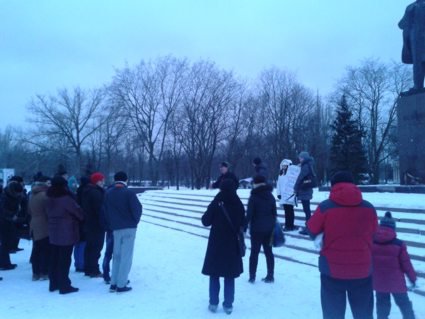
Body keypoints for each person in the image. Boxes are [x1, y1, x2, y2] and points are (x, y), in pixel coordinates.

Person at [307, 171, 378, 319]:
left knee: (333, 314)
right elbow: (374, 234)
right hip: (362, 268)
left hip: (331, 269)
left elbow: (312, 229)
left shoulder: (325, 207)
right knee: (364, 314)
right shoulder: (369, 208)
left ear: (333, 187)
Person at [202, 179, 245, 314]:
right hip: (232, 245)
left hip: (216, 244)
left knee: (214, 274)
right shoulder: (238, 203)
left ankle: (213, 303)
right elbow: (244, 224)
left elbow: (205, 221)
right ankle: (228, 305)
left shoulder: (217, 201)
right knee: (229, 275)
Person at [103, 171, 142, 293]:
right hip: (129, 228)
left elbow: (104, 211)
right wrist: (134, 221)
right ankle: (121, 283)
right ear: (126, 180)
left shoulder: (108, 193)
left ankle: (114, 282)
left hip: (115, 228)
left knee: (117, 256)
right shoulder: (129, 193)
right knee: (126, 256)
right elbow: (137, 209)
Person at [373, 211, 417, 319]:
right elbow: (406, 264)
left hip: (379, 281)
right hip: (396, 282)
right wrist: (413, 278)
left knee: (382, 306)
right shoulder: (399, 244)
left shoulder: (372, 242)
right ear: (393, 228)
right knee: (404, 304)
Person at [46, 176, 84, 294]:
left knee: (54, 258)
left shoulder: (48, 197)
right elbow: (79, 213)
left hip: (53, 231)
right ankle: (64, 285)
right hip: (66, 232)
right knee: (64, 259)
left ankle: (54, 283)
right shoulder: (66, 199)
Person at [245, 175, 276, 283]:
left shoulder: (253, 197)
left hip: (256, 229)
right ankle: (270, 276)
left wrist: (244, 226)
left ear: (255, 184)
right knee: (269, 252)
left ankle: (252, 277)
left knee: (254, 253)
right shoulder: (271, 196)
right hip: (269, 229)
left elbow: (249, 214)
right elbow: (274, 213)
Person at [81, 172, 105, 278]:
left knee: (90, 247)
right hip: (96, 225)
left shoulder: (87, 191)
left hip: (89, 223)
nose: (103, 182)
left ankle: (88, 268)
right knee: (96, 248)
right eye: (102, 180)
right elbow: (99, 210)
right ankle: (94, 270)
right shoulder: (96, 193)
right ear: (97, 181)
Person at [399, 0, 425, 91]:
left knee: (418, 63)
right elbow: (402, 24)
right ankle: (418, 87)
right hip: (416, 37)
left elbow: (401, 24)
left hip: (417, 37)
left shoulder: (412, 7)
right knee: (419, 62)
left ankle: (418, 87)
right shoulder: (411, 7)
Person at [28, 175, 51, 281]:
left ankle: (35, 273)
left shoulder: (32, 195)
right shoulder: (45, 196)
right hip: (44, 225)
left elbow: (29, 211)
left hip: (34, 224)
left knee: (36, 250)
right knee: (45, 250)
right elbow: (48, 211)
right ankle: (44, 272)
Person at [0, 181, 23, 270]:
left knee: (7, 243)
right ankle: (4, 263)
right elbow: (2, 210)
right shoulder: (4, 197)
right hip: (3, 222)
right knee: (4, 243)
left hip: (9, 222)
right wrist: (11, 215)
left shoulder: (14, 196)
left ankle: (5, 262)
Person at [294, 151, 315, 235]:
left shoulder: (305, 166)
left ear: (304, 158)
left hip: (305, 190)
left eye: (300, 158)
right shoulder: (308, 164)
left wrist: (295, 187)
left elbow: (300, 177)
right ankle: (309, 226)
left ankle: (309, 227)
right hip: (307, 189)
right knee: (307, 209)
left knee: (306, 210)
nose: (299, 159)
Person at [74, 176, 90, 272]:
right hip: (84, 220)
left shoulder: (78, 191)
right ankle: (82, 264)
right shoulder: (87, 192)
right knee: (83, 243)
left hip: (77, 220)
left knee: (78, 243)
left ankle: (78, 263)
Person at [276, 159, 297, 231]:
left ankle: (291, 225)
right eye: (283, 166)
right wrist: (278, 193)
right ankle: (287, 225)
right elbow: (278, 184)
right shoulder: (281, 174)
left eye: (285, 166)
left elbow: (293, 183)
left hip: (290, 195)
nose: (284, 167)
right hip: (283, 196)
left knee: (290, 211)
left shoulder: (292, 174)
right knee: (286, 211)